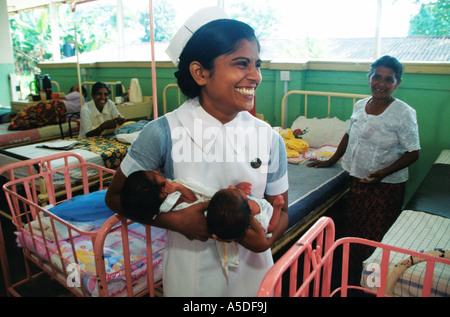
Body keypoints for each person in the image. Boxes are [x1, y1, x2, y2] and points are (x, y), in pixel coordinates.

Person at [105, 16, 289, 296]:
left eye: (257, 64)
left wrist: (267, 241)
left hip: (254, 276)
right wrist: (172, 221)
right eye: (242, 63)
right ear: (200, 73)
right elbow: (115, 197)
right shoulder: (162, 133)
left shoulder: (270, 139)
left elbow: (282, 208)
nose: (256, 75)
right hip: (190, 276)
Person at [307, 55, 420, 278]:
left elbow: (413, 152)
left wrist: (383, 173)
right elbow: (349, 135)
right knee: (353, 232)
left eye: (389, 79)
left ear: (397, 84)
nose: (381, 83)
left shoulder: (404, 113)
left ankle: (371, 284)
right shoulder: (360, 105)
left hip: (385, 187)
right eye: (377, 77)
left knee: (375, 239)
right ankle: (350, 278)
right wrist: (331, 160)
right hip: (357, 180)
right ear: (369, 78)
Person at [120, 170, 283, 280]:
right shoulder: (170, 202)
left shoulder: (163, 203)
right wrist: (180, 187)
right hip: (220, 216)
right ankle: (260, 212)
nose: (157, 171)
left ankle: (255, 210)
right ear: (162, 193)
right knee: (257, 214)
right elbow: (193, 200)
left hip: (224, 215)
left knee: (256, 215)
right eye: (155, 175)